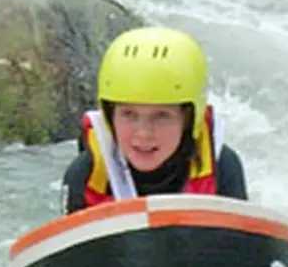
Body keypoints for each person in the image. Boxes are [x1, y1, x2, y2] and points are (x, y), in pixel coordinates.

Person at [61, 26, 248, 214]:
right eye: (129, 114)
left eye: (161, 116)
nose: (143, 134)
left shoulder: (223, 167)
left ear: (190, 118)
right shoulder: (84, 175)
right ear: (109, 116)